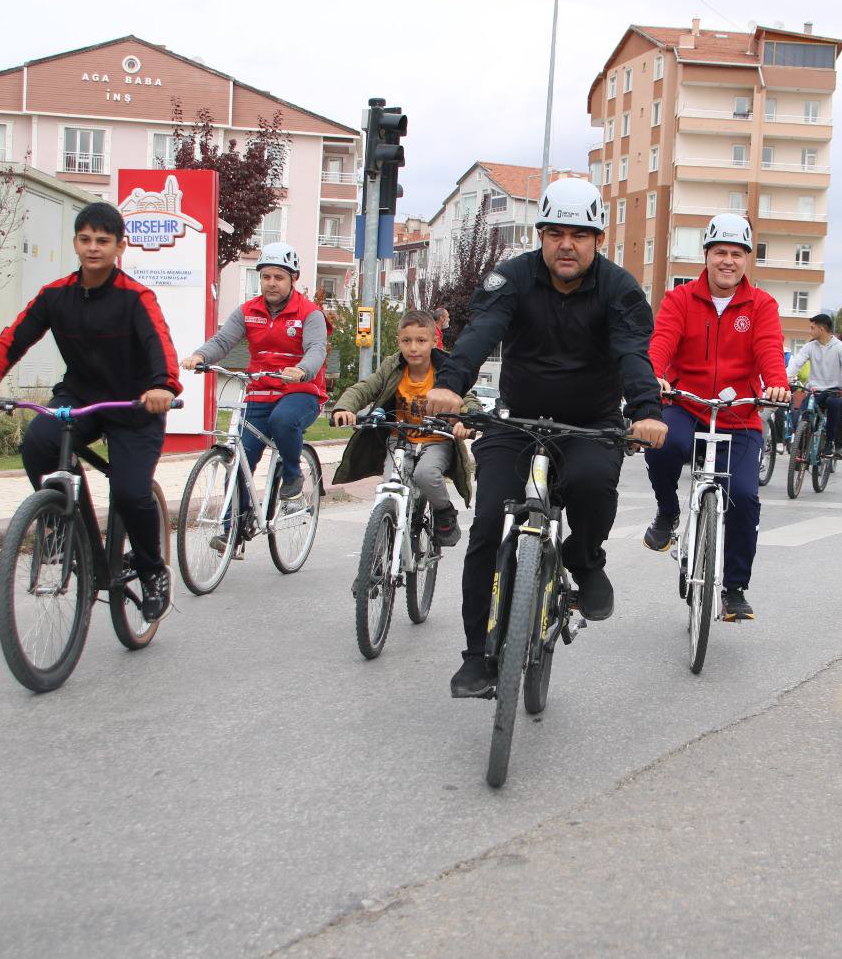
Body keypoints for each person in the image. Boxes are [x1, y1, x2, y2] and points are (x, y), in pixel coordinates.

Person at [424, 177, 668, 698]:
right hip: (514, 421)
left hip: (590, 424)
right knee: (488, 525)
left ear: (597, 239)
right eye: (555, 232)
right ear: (540, 235)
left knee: (589, 485)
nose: (566, 244)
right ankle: (476, 657)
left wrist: (646, 413)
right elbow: (480, 334)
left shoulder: (620, 289)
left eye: (579, 235)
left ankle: (584, 560)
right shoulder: (510, 278)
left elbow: (632, 355)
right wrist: (449, 385)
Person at [0, 202, 180, 622]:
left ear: (120, 247)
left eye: (103, 240)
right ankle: (64, 525)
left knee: (131, 492)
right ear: (75, 243)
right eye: (85, 239)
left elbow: (161, 346)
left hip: (133, 406)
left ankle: (153, 571)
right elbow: (14, 337)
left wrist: (162, 386)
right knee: (39, 443)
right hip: (80, 397)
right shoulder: (55, 295)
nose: (93, 248)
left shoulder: (136, 297)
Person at [642, 214, 791, 621]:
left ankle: (735, 588)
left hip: (740, 415)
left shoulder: (761, 305)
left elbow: (769, 349)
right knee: (663, 440)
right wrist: (653, 374)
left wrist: (776, 382)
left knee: (744, 496)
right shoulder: (680, 300)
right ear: (706, 255)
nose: (728, 261)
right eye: (720, 252)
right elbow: (663, 342)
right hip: (686, 404)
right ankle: (668, 511)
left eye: (737, 254)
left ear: (747, 259)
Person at [181, 242, 326, 511]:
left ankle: (292, 476)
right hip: (259, 391)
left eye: (279, 277)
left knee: (283, 420)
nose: (271, 283)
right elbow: (223, 341)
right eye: (266, 277)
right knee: (239, 460)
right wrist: (200, 356)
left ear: (293, 279)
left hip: (300, 392)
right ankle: (231, 530)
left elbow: (316, 349)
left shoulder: (309, 313)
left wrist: (302, 370)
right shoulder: (248, 311)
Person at [329, 309, 478, 546]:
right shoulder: (393, 366)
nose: (413, 348)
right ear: (398, 341)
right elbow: (365, 387)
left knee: (425, 474)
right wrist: (344, 408)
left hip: (435, 441)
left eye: (421, 340)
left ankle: (444, 511)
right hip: (399, 441)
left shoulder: (447, 368)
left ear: (434, 341)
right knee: (392, 485)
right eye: (406, 341)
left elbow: (466, 399)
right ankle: (385, 548)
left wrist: (465, 421)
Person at [787, 314, 842, 459]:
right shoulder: (810, 347)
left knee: (834, 405)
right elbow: (796, 364)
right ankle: (800, 449)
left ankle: (829, 442)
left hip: (834, 390)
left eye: (813, 328)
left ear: (822, 328)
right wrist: (782, 380)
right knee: (802, 416)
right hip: (814, 390)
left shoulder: (841, 348)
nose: (810, 331)